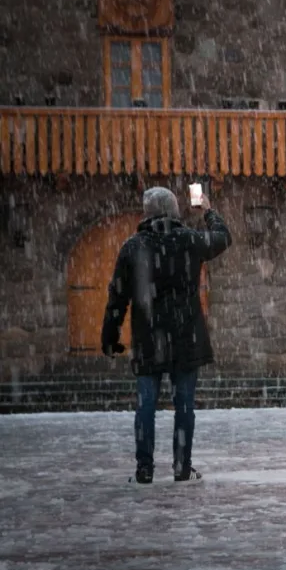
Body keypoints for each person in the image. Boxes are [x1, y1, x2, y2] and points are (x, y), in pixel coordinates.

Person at [101, 186, 231, 485]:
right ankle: (181, 467)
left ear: (147, 212)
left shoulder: (133, 247)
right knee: (184, 405)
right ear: (174, 210)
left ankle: (144, 468)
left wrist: (110, 335)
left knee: (146, 405)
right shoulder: (188, 240)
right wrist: (208, 211)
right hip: (186, 337)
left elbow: (117, 296)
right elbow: (224, 238)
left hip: (149, 339)